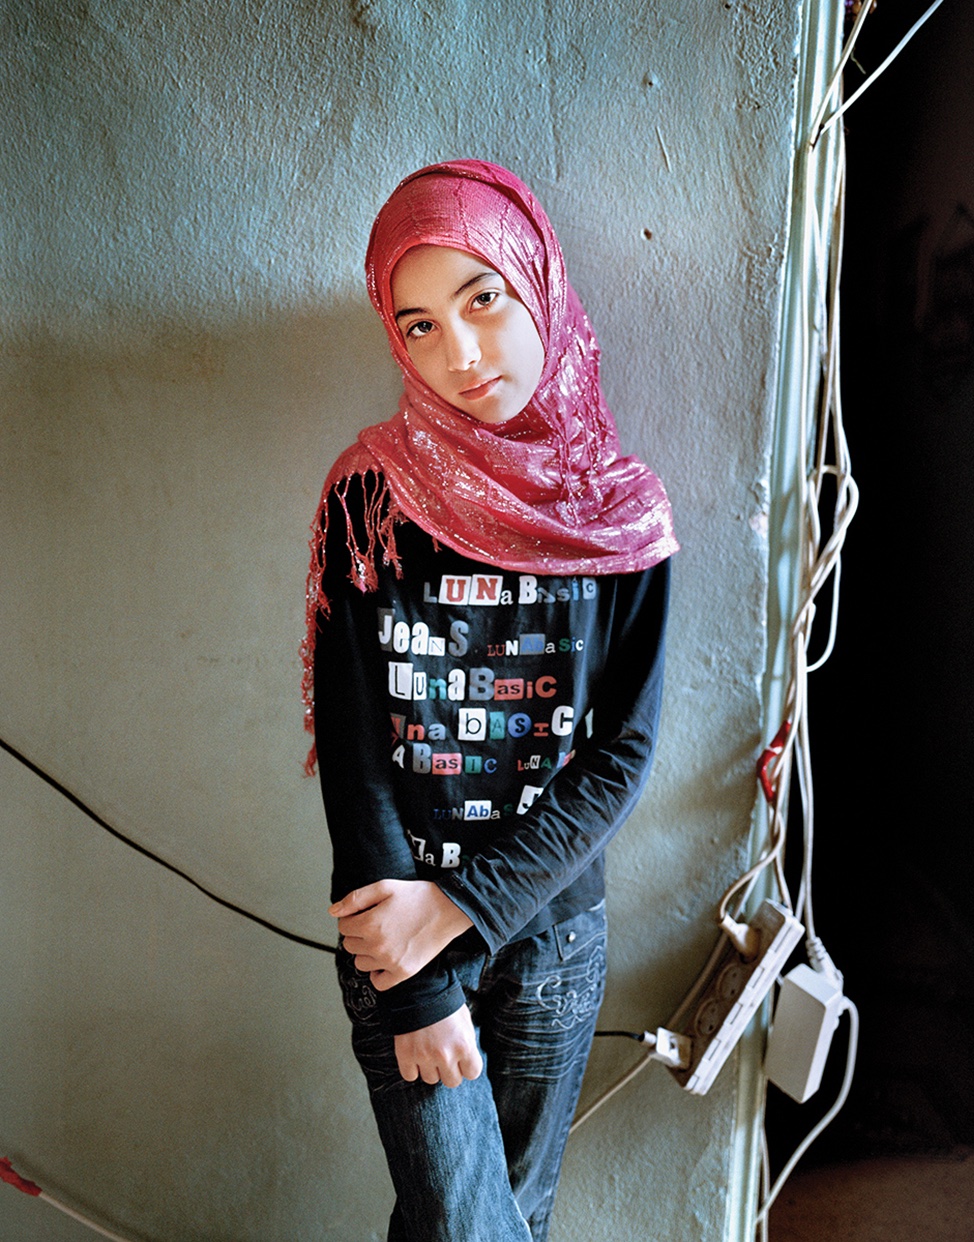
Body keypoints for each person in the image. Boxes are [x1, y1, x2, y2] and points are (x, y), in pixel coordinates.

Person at [300, 159, 678, 1241]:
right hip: (395, 934)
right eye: (419, 326)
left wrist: (464, 909)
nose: (461, 353)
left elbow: (621, 755)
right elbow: (356, 751)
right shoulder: (370, 497)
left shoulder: (619, 513)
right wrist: (418, 979)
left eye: (483, 299)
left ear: (539, 287)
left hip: (551, 939)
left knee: (499, 1220)